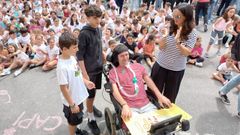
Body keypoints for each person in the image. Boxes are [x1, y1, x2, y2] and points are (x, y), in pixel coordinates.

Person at [108, 45, 172, 121]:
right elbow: (115, 91)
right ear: (116, 57)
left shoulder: (138, 66)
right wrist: (124, 105)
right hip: (130, 107)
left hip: (146, 105)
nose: (125, 58)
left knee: (159, 124)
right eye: (122, 56)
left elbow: (149, 81)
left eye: (126, 55)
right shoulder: (113, 72)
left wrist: (160, 96)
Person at [151, 3, 197, 103]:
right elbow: (161, 47)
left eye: (178, 16)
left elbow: (186, 53)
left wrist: (178, 41)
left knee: (169, 98)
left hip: (176, 70)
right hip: (160, 65)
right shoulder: (169, 26)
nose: (175, 19)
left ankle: (166, 117)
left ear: (187, 17)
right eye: (174, 15)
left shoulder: (192, 32)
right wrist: (165, 36)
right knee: (153, 94)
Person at [56, 32, 95, 135]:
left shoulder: (72, 58)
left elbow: (77, 73)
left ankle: (77, 130)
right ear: (64, 49)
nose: (77, 50)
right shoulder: (62, 67)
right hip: (72, 101)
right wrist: (72, 105)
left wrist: (86, 82)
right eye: (74, 47)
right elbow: (64, 88)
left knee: (78, 118)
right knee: (73, 122)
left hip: (78, 96)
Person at [76, 5, 103, 135]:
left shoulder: (98, 29)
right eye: (95, 18)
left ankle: (90, 106)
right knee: (89, 94)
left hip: (98, 68)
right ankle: (90, 118)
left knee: (93, 93)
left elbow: (100, 46)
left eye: (99, 17)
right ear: (87, 18)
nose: (98, 20)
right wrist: (85, 75)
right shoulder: (84, 33)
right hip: (89, 71)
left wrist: (103, 59)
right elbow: (79, 56)